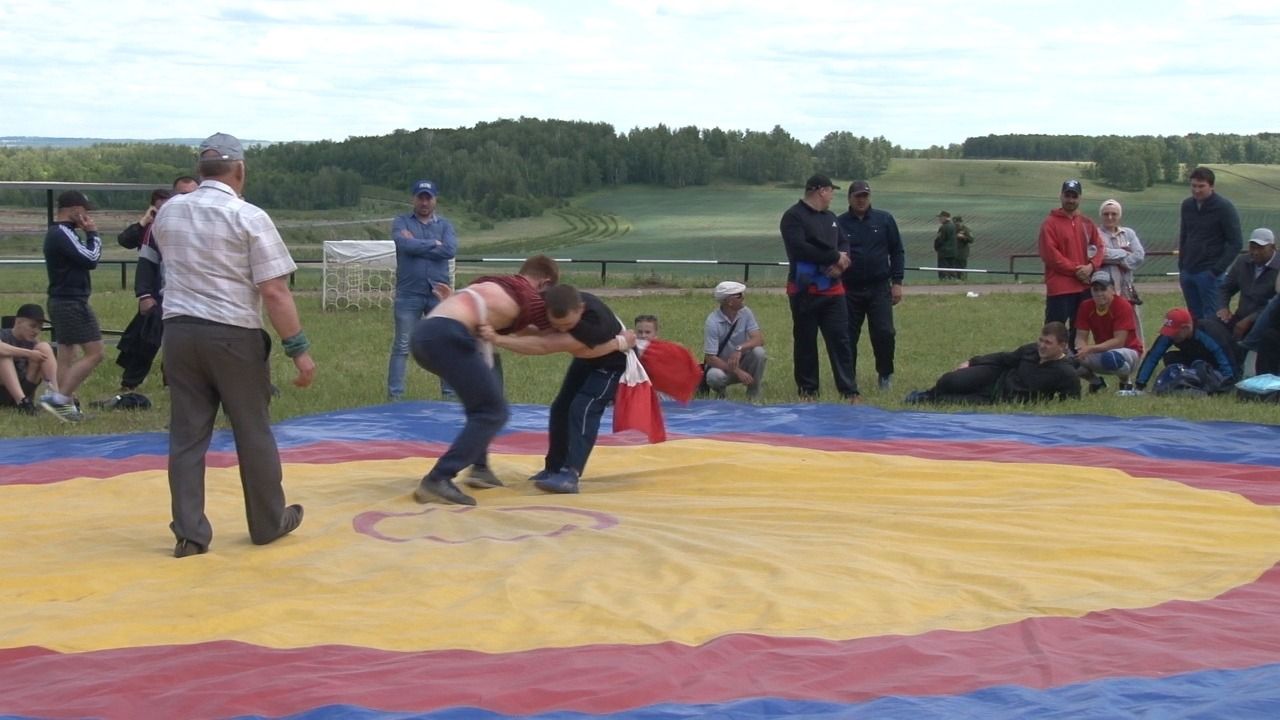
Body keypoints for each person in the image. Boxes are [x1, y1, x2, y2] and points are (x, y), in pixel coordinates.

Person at [152, 132, 315, 558]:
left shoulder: (169, 213)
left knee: (187, 436)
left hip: (180, 334)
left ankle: (189, 533)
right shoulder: (248, 217)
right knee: (252, 430)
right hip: (232, 334)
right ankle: (267, 522)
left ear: (199, 171)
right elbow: (275, 291)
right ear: (240, 171)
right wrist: (298, 349)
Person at [408, 255, 562, 505]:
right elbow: (555, 330)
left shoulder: (495, 284)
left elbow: (520, 331)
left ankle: (479, 467)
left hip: (426, 335)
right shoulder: (530, 297)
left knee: (484, 399)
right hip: (447, 337)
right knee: (492, 412)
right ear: (544, 284)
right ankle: (438, 479)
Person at [479, 284, 634, 496]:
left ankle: (571, 474)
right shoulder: (546, 302)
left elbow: (545, 346)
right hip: (587, 359)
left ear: (580, 308)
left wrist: (498, 339)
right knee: (560, 408)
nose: (562, 328)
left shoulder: (595, 322)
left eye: (567, 324)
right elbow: (533, 330)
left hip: (613, 364)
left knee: (583, 408)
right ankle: (553, 467)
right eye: (556, 324)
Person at [113, 183, 196, 396]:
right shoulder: (156, 226)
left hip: (194, 293)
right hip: (162, 293)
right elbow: (144, 259)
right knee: (148, 339)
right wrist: (145, 294)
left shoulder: (201, 222)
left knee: (189, 340)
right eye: (183, 193)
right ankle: (130, 383)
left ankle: (177, 381)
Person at [780, 174, 857, 402]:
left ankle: (849, 390)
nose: (833, 195)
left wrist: (841, 265)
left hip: (833, 291)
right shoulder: (793, 217)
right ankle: (808, 390)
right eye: (831, 190)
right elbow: (799, 248)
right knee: (805, 341)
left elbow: (844, 243)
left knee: (841, 340)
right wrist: (833, 257)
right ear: (821, 190)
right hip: (804, 290)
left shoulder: (831, 217)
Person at [388, 179, 458, 401]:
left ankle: (448, 395)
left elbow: (449, 250)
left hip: (438, 293)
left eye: (429, 197)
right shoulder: (401, 222)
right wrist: (433, 244)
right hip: (408, 294)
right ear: (414, 199)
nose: (425, 202)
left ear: (435, 199)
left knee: (445, 344)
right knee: (402, 345)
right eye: (421, 197)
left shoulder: (445, 225)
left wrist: (418, 244)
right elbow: (403, 244)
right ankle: (395, 396)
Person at [904, 322, 1079, 404]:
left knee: (949, 400)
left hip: (1000, 399)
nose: (1042, 346)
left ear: (1062, 346)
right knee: (949, 380)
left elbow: (1071, 402)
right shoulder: (1030, 349)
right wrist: (972, 362)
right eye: (1041, 340)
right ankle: (928, 392)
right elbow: (1004, 358)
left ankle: (925, 399)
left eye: (1048, 343)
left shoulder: (1066, 372)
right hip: (994, 376)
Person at [838, 180, 904, 392]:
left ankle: (885, 375)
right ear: (849, 198)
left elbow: (897, 251)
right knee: (847, 335)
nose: (861, 200)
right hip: (849, 289)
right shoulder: (839, 223)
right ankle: (849, 378)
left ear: (870, 198)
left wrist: (897, 282)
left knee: (885, 333)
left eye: (865, 196)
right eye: (857, 196)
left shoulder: (884, 220)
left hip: (879, 288)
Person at [42, 189, 104, 404]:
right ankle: (60, 398)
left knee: (67, 355)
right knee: (95, 352)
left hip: (61, 299)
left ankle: (63, 403)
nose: (88, 216)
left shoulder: (58, 232)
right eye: (85, 211)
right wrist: (93, 233)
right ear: (75, 210)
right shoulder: (62, 232)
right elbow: (91, 259)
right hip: (71, 300)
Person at [1038, 179, 1103, 347]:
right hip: (1060, 287)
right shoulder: (1050, 223)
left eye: (1074, 196)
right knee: (1054, 329)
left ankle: (1076, 363)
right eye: (1067, 195)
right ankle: (1049, 362)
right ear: (1061, 196)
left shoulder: (1087, 223)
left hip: (1084, 287)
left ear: (1080, 198)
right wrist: (1076, 270)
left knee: (1080, 328)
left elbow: (1100, 247)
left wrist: (1091, 267)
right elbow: (1051, 255)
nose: (1071, 200)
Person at [1179, 166, 1242, 320]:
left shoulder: (1224, 208)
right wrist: (1182, 265)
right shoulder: (1187, 205)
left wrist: (1216, 270)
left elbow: (1236, 242)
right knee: (1194, 318)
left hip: (1209, 273)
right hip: (1188, 271)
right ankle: (1199, 344)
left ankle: (1213, 344)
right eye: (1193, 186)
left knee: (1212, 319)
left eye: (1201, 186)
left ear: (1211, 186)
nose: (1197, 190)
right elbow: (1184, 235)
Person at [0, 303, 79, 420]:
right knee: (4, 356)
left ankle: (58, 396)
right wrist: (28, 353)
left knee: (44, 347)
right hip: (3, 393)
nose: (36, 331)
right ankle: (22, 402)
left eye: (39, 327)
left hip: (26, 390)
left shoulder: (33, 343)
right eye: (32, 326)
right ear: (18, 322)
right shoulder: (3, 334)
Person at [1134, 308, 1238, 392]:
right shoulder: (1170, 335)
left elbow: (1225, 357)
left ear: (1186, 328)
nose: (1171, 336)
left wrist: (1228, 383)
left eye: (1175, 333)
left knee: (1200, 364)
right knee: (1170, 357)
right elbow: (1153, 356)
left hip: (1214, 365)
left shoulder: (1208, 332)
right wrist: (1140, 383)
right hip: (1193, 359)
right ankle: (1188, 381)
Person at [1075, 270, 1144, 394]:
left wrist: (1090, 349)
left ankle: (1126, 383)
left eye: (1103, 289)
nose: (1099, 293)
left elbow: (1119, 341)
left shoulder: (1122, 305)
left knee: (1111, 357)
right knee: (1070, 360)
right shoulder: (1086, 306)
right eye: (1095, 289)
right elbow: (1080, 336)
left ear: (1112, 289)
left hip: (1128, 352)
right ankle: (1096, 383)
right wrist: (1081, 349)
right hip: (1102, 351)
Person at [702, 281, 766, 402]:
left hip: (742, 362)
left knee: (759, 352)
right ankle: (721, 394)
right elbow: (710, 358)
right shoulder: (712, 322)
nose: (743, 298)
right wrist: (737, 371)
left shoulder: (746, 312)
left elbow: (759, 339)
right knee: (714, 377)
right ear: (729, 301)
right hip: (722, 367)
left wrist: (740, 348)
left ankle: (753, 394)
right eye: (739, 296)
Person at [1215, 228, 1277, 341]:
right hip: (1240, 317)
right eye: (1252, 248)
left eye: (1261, 248)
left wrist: (1250, 320)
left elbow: (1274, 305)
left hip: (1268, 323)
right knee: (1210, 326)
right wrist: (1223, 307)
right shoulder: (1242, 262)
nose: (1255, 252)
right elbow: (1225, 288)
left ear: (1272, 247)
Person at [933, 211, 959, 280]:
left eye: (940, 217)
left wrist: (936, 247)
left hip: (944, 252)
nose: (939, 219)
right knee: (952, 268)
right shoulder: (953, 226)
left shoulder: (943, 227)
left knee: (943, 269)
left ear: (944, 217)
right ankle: (953, 281)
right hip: (953, 251)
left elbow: (939, 239)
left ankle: (944, 282)